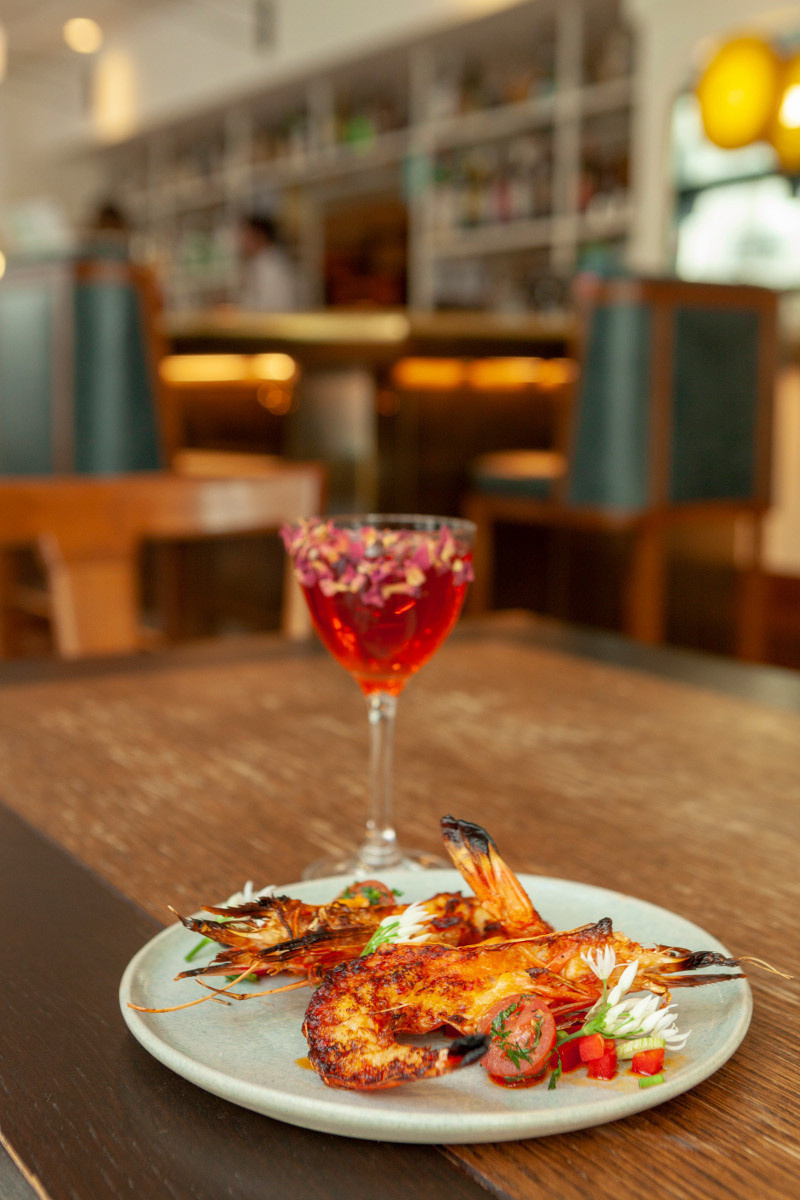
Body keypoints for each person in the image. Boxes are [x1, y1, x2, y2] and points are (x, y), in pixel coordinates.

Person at [238, 213, 299, 312]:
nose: (242, 241)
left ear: (259, 236)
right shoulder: (258, 264)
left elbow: (271, 310)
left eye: (246, 235)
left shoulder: (274, 268)